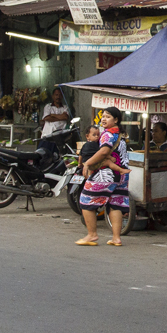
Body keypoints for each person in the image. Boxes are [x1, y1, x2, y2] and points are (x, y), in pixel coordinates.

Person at [76, 106, 129, 247]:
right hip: (122, 175)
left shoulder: (107, 134)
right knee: (115, 203)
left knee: (86, 200)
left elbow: (104, 151)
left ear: (116, 120)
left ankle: (92, 234)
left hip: (106, 175)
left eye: (108, 117)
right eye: (103, 116)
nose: (104, 119)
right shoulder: (121, 135)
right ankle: (116, 238)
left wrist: (87, 163)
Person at [37, 87, 70, 156]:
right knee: (43, 156)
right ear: (53, 96)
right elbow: (46, 118)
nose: (58, 97)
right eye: (56, 95)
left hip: (60, 138)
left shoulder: (65, 107)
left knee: (58, 157)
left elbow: (65, 117)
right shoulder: (48, 106)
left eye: (60, 95)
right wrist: (60, 116)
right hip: (48, 136)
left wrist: (52, 115)